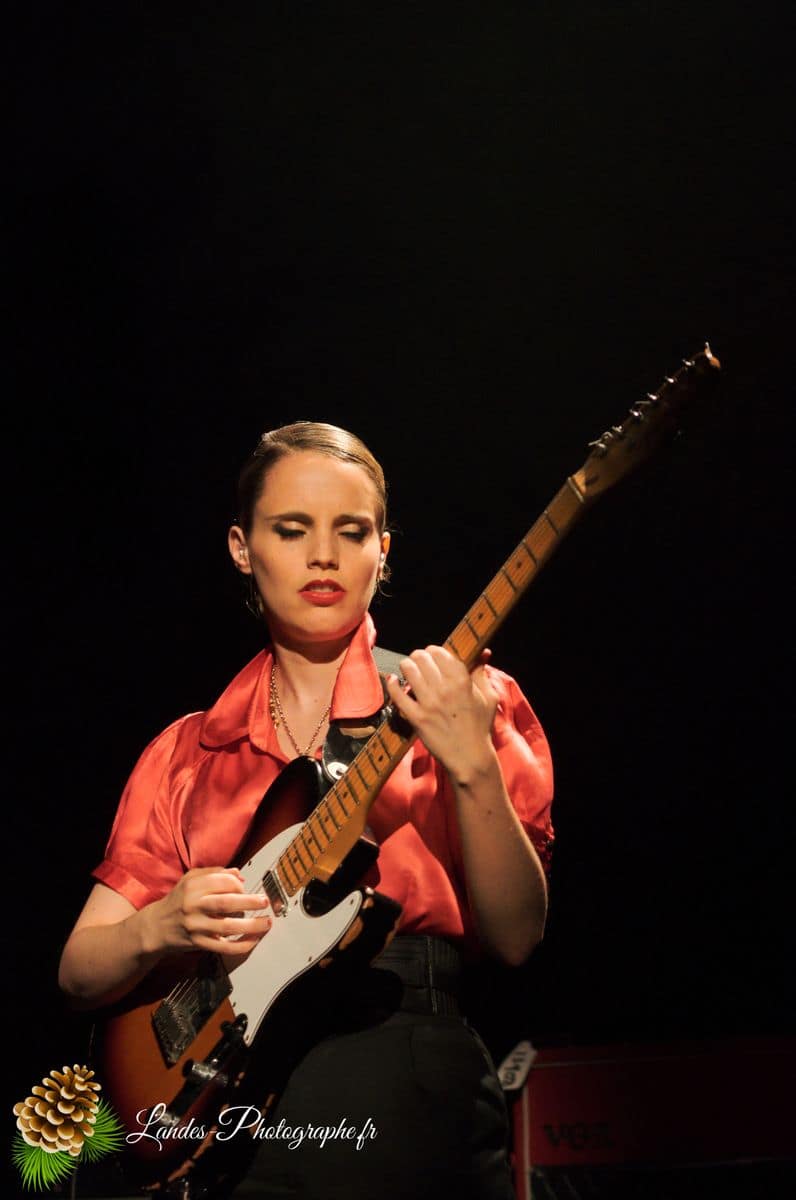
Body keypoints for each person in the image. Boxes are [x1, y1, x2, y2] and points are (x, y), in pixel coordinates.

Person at [58, 421, 554, 1199]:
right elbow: (79, 972)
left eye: (350, 532)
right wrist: (158, 925)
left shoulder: (465, 703)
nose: (322, 555)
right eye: (291, 530)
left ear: (382, 550)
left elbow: (519, 937)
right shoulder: (189, 750)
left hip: (404, 1082)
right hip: (226, 1109)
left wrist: (474, 767)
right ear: (241, 546)